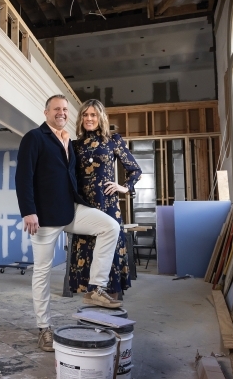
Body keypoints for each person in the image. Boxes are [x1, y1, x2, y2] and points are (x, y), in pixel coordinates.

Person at [15, 94, 123, 352]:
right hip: (43, 218)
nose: (62, 113)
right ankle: (44, 328)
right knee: (42, 271)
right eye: (56, 109)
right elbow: (23, 176)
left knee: (110, 227)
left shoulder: (69, 142)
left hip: (71, 209)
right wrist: (28, 211)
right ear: (46, 112)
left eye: (65, 109)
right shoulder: (34, 137)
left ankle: (96, 287)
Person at [69, 99, 142, 298]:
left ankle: (112, 304)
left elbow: (135, 170)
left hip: (107, 205)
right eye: (85, 115)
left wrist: (123, 188)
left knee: (111, 252)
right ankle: (93, 301)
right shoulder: (74, 145)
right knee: (89, 253)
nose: (89, 118)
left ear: (101, 117)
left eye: (93, 115)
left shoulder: (113, 140)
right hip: (84, 206)